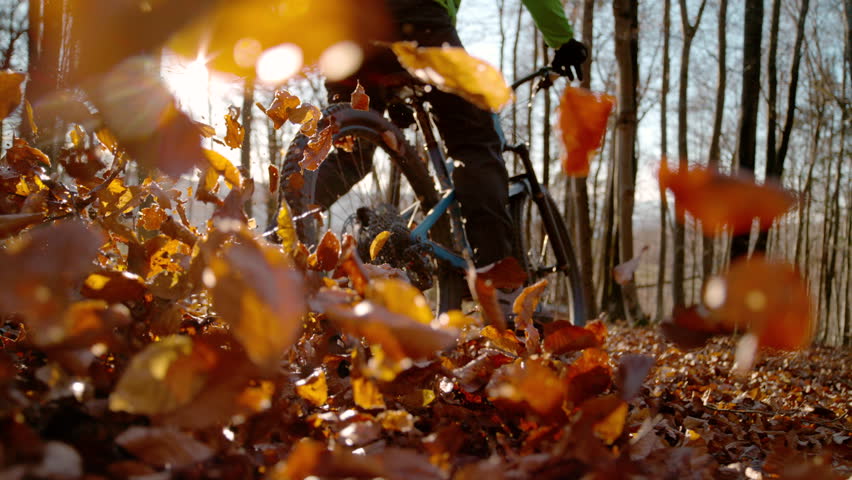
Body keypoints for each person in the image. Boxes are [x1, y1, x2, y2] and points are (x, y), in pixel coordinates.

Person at [294, 0, 587, 267]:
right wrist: (562, 41)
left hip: (344, 30)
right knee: (475, 144)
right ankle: (498, 280)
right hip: (418, 21)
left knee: (349, 154)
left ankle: (278, 242)